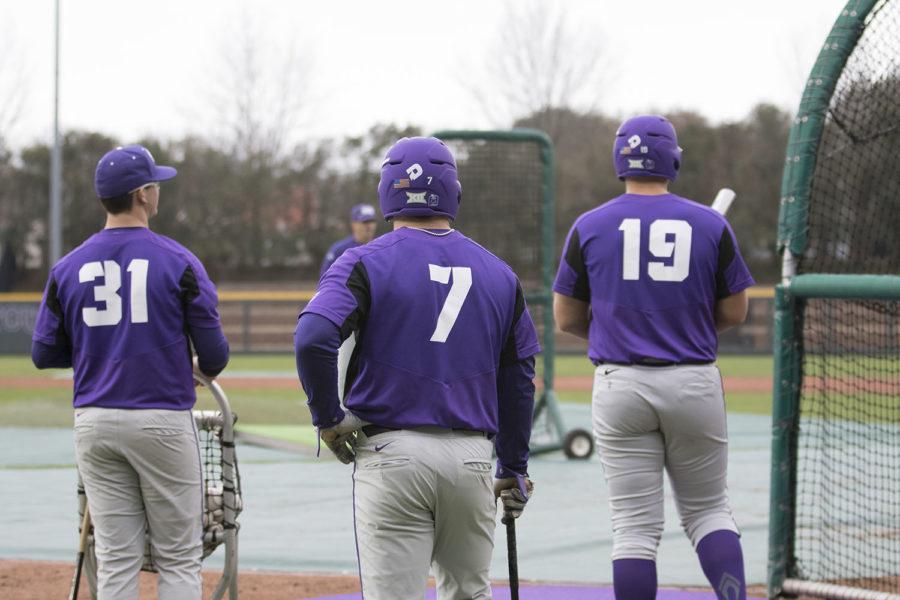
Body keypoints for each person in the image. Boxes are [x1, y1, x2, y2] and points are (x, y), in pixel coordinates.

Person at [295, 136, 540, 600]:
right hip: (471, 458)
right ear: (454, 192)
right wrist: (514, 465)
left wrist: (328, 417)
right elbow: (519, 378)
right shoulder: (500, 273)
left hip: (391, 455)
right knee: (469, 592)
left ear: (387, 191)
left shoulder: (363, 260)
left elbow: (312, 336)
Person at [553, 115, 754, 600]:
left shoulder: (589, 225)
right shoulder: (710, 224)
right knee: (708, 512)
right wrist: (686, 327)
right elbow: (735, 310)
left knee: (634, 529)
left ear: (619, 159)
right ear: (674, 159)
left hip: (620, 382)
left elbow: (565, 318)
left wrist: (615, 331)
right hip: (693, 380)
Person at [31, 144, 229, 600]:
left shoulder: (67, 266)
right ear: (142, 195)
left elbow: (44, 354)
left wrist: (99, 352)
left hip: (94, 420)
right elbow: (215, 355)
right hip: (160, 416)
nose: (158, 192)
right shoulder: (178, 259)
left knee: (117, 558)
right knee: (179, 557)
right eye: (155, 185)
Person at [319, 202, 377, 278]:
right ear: (354, 224)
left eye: (372, 221)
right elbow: (325, 278)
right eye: (365, 222)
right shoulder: (339, 250)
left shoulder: (383, 248)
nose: (369, 226)